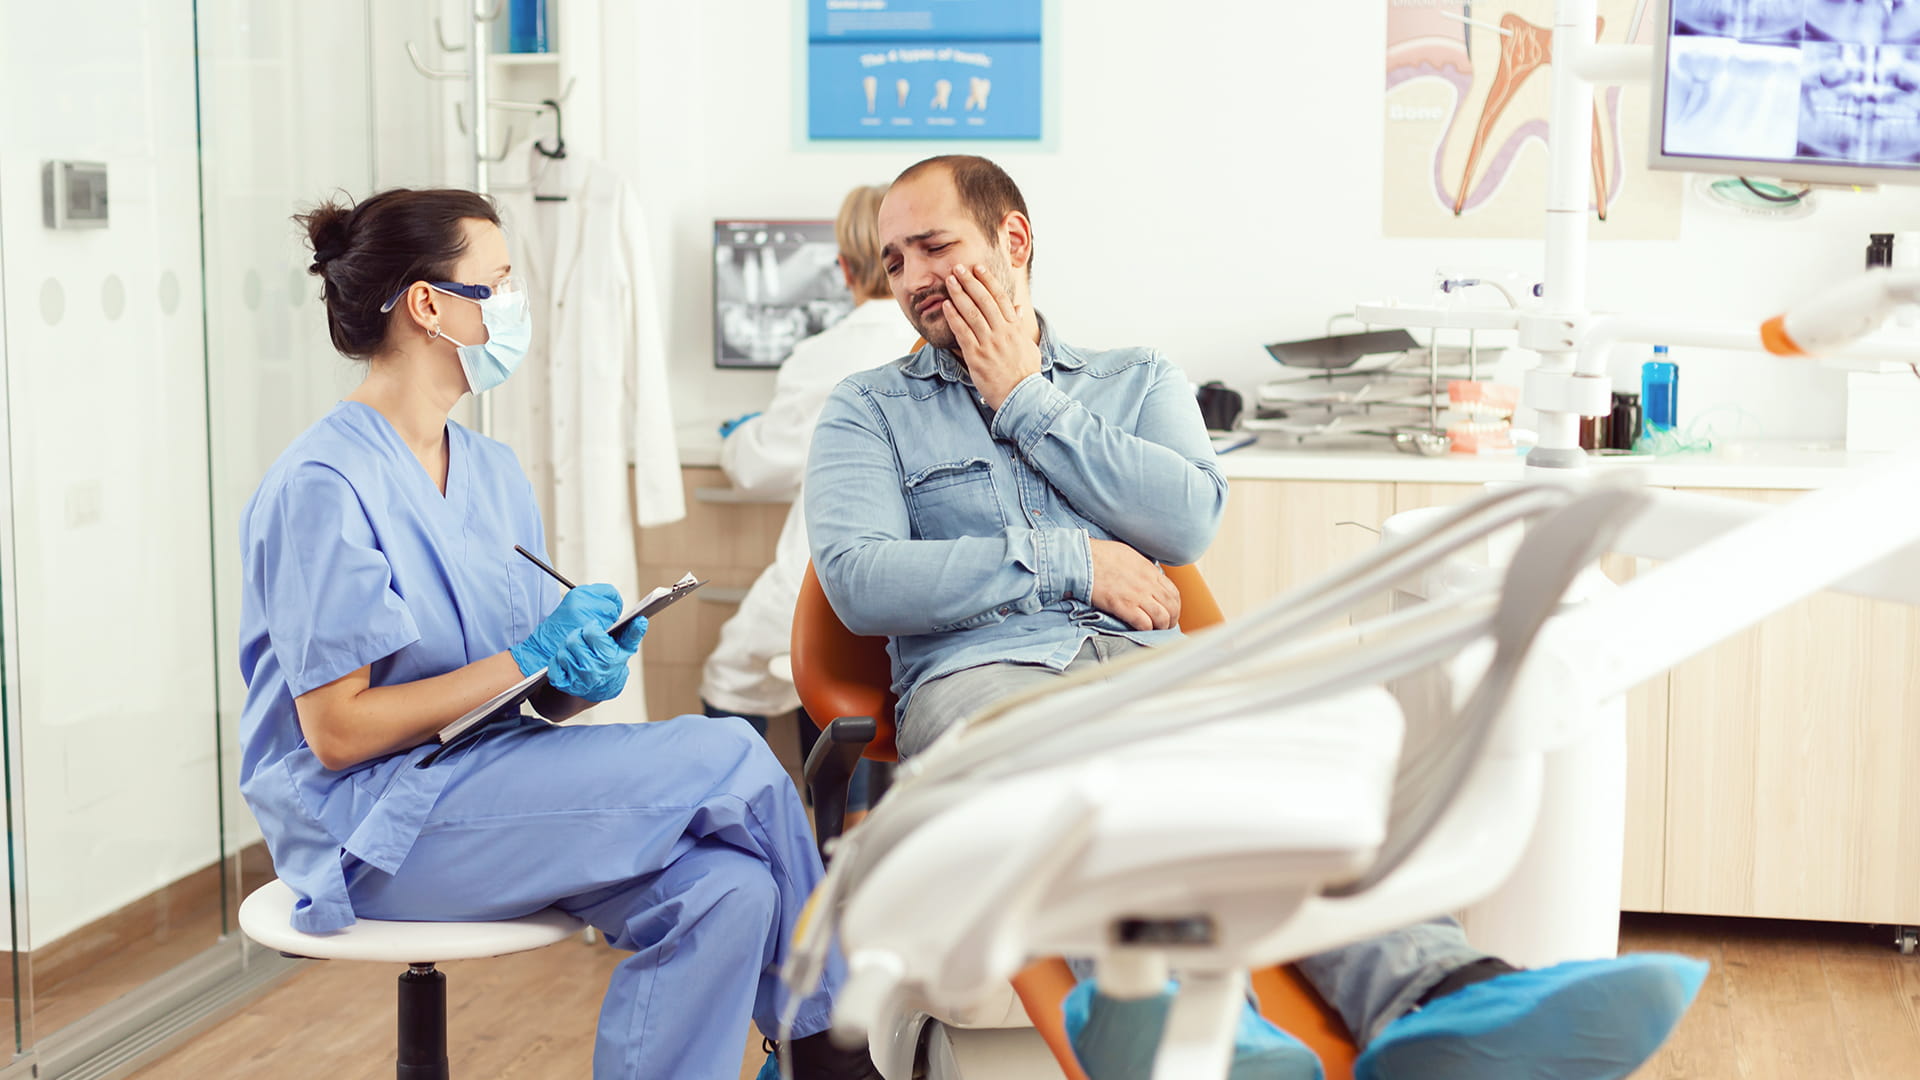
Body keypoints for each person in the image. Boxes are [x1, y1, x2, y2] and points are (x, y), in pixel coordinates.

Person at [803, 155, 1706, 1080]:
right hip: (983, 682)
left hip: (1150, 666)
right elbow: (861, 580)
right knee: (1075, 789)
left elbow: (1188, 519)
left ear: (1015, 241)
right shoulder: (866, 410)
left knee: (1300, 768)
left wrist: (1026, 398)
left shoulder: (1136, 378)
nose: (911, 280)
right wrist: (1075, 557)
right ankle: (1212, 1037)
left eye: (934, 248)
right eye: (895, 260)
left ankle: (1453, 999)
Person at [238, 188, 878, 1080]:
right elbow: (338, 732)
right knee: (732, 752)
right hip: (376, 825)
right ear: (430, 305)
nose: (515, 306)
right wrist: (528, 655)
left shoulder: (493, 474)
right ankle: (830, 1049)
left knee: (728, 892)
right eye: (497, 284)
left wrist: (576, 672)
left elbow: (514, 692)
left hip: (488, 791)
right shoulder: (323, 483)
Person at [701, 186, 909, 817]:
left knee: (731, 672)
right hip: (913, 593)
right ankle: (849, 820)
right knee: (857, 685)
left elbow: (761, 467)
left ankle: (742, 822)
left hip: (825, 585)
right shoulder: (945, 342)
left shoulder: (823, 355)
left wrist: (742, 439)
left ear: (843, 268)